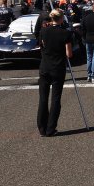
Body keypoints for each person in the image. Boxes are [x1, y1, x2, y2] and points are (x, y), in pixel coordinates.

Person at [37, 9, 73, 137]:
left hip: (45, 67)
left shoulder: (43, 31)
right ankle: (50, 128)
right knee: (56, 99)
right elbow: (69, 54)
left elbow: (41, 46)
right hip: (57, 68)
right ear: (61, 19)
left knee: (43, 98)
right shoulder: (65, 33)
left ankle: (42, 127)